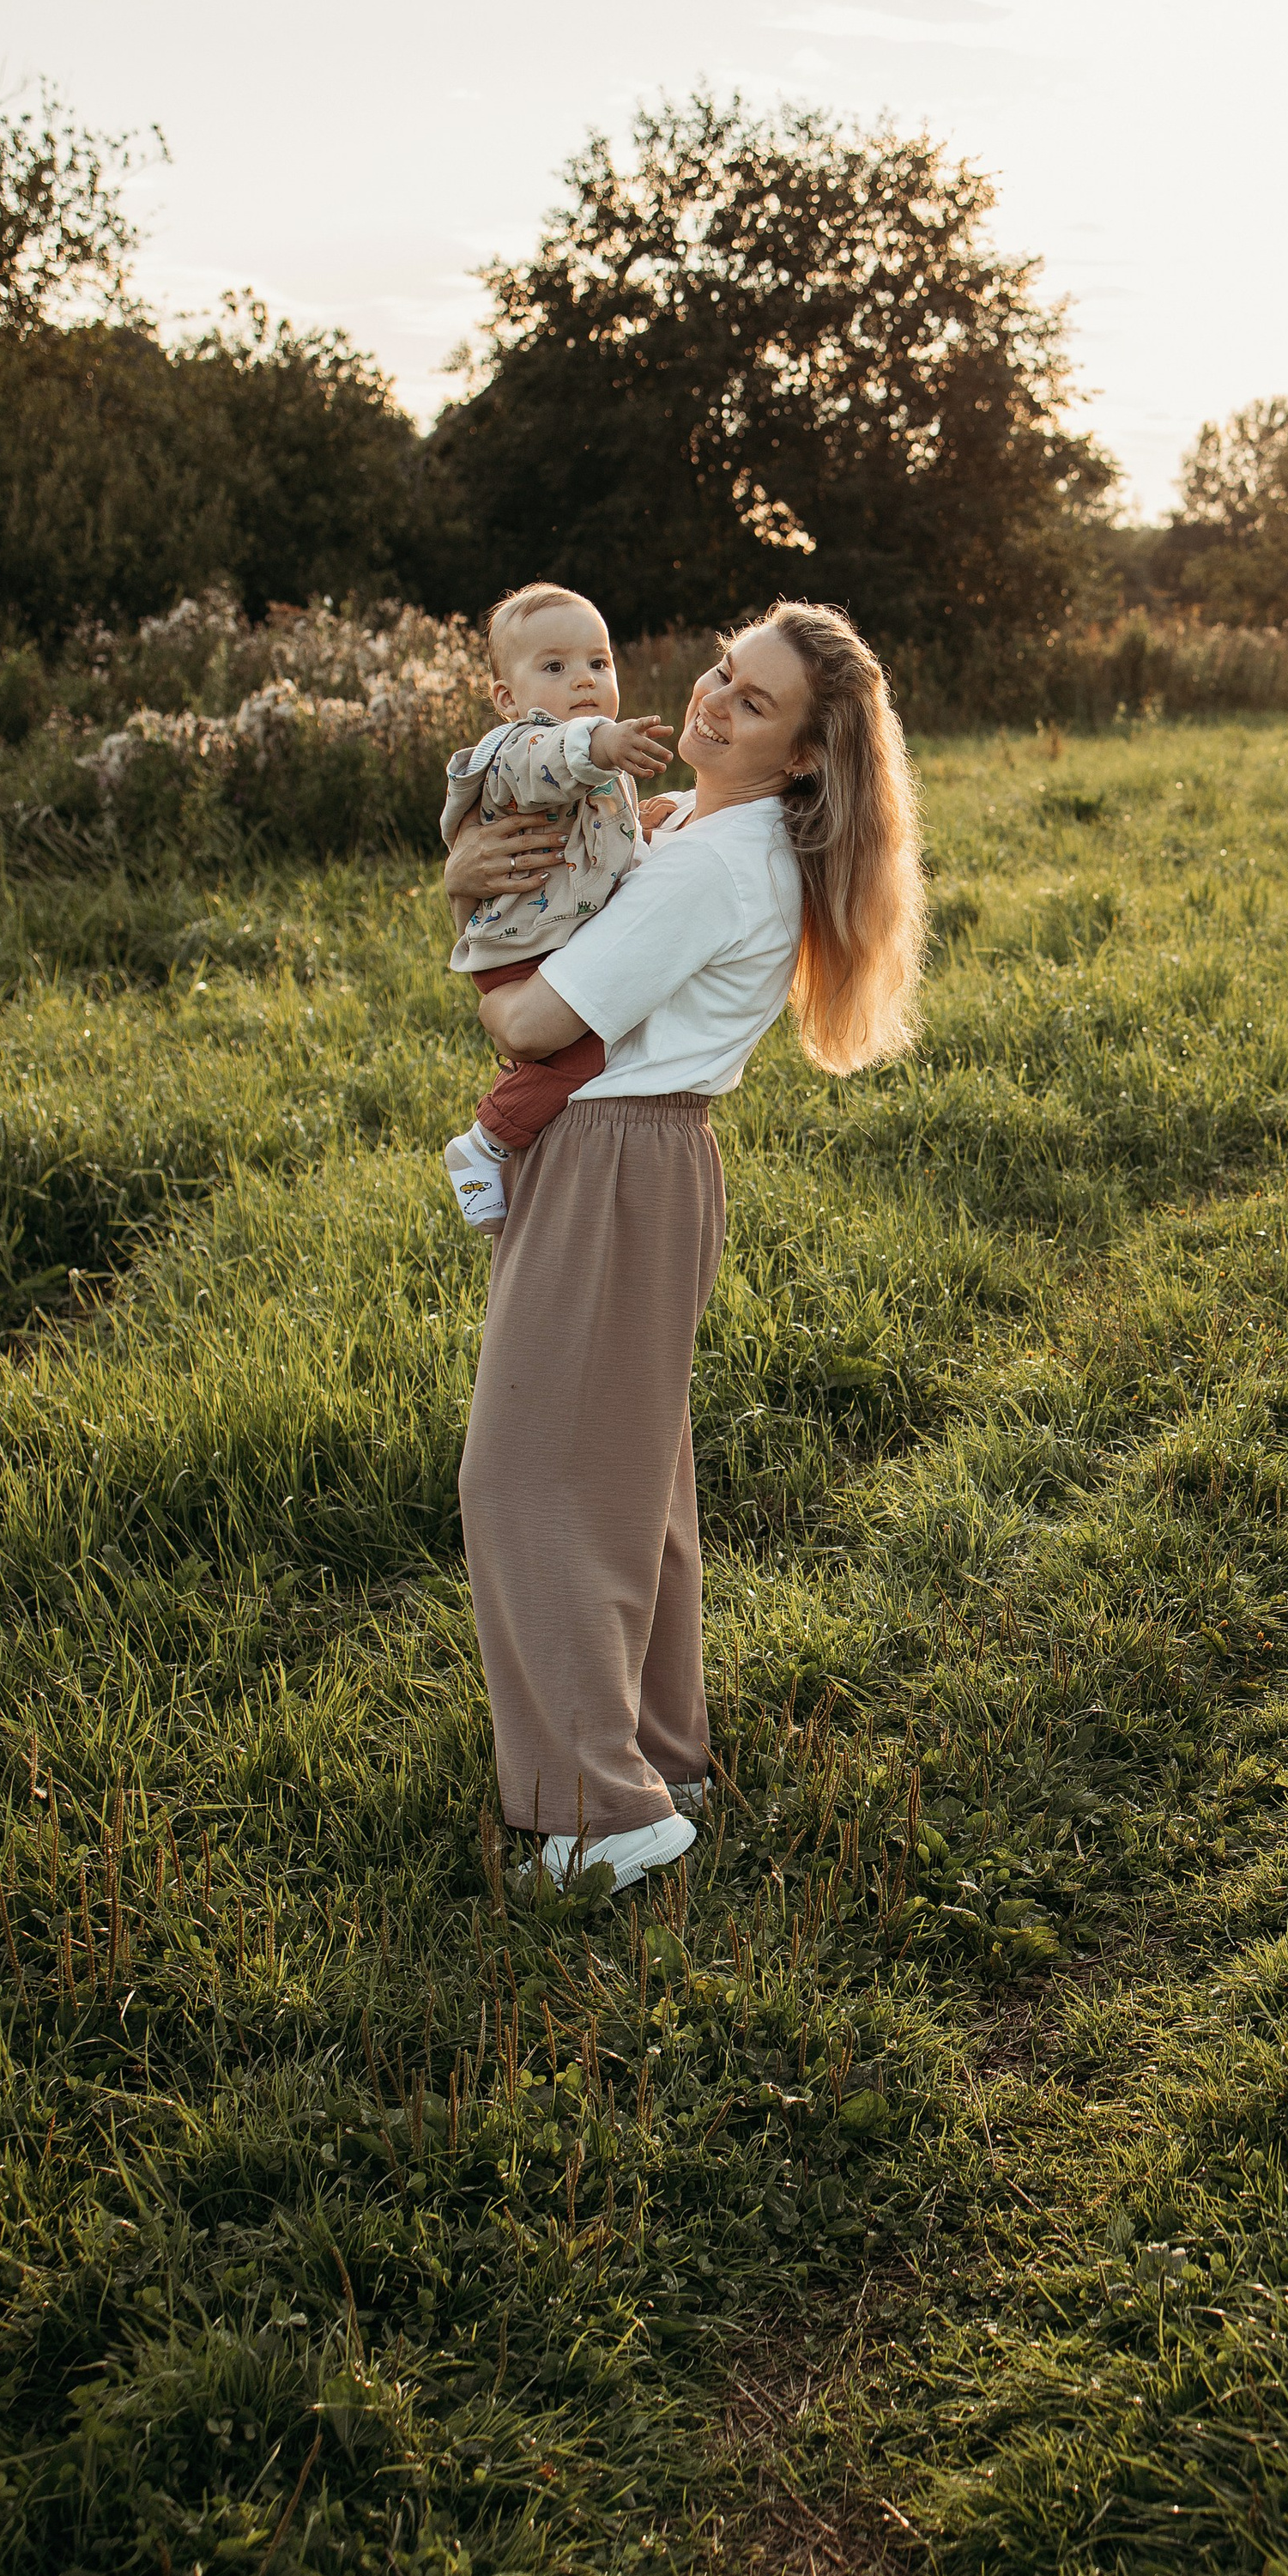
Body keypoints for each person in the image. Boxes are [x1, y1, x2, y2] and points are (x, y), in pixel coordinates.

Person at [443, 599, 924, 1895]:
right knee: (624, 1476)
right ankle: (662, 1755)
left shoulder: (717, 861)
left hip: (615, 1159)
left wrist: (474, 950)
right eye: (722, 671)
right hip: (636, 1157)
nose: (712, 701)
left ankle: (603, 1818)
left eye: (752, 702)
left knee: (526, 1481)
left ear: (807, 757)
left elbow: (536, 1023)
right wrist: (461, 879)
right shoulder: (687, 825)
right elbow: (551, 869)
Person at [439, 582, 677, 1233]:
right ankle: (485, 1143)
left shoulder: (604, 767)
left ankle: (531, 1121)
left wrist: (642, 824)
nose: (584, 681)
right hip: (523, 945)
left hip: (549, 937)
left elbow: (603, 840)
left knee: (574, 1051)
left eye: (599, 663)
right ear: (507, 699)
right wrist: (600, 742)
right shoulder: (520, 749)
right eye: (555, 667)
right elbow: (553, 762)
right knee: (583, 1056)